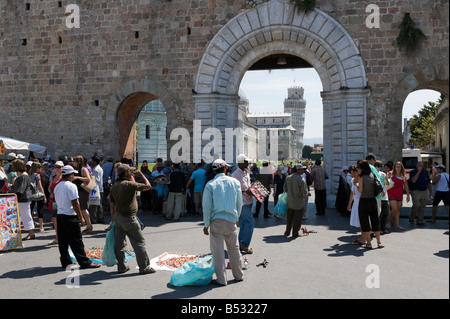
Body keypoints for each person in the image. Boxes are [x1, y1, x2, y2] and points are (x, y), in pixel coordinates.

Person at [202, 159, 244, 286]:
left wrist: (206, 224)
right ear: (225, 169)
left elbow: (207, 207)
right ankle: (238, 275)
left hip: (217, 221)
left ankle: (222, 279)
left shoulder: (210, 184)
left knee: (218, 251)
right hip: (231, 220)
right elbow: (239, 203)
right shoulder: (235, 182)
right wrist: (237, 218)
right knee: (234, 249)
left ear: (214, 170)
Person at [109, 164, 155, 274]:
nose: (132, 173)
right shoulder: (128, 184)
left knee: (119, 244)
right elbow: (148, 186)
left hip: (118, 217)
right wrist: (141, 175)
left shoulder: (114, 186)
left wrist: (113, 219)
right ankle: (144, 267)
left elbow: (112, 205)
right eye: (130, 171)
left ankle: (121, 267)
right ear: (125, 173)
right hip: (129, 218)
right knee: (139, 242)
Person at [54, 165, 100, 269]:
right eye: (73, 174)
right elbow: (75, 203)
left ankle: (65, 261)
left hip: (60, 215)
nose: (73, 176)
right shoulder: (71, 186)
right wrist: (81, 217)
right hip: (70, 216)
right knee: (76, 241)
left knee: (63, 241)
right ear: (70, 175)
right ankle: (84, 262)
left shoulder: (57, 186)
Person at [356, 160, 384, 249]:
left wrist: (357, 185)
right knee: (375, 221)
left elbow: (361, 190)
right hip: (373, 200)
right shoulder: (373, 175)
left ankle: (368, 243)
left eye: (358, 168)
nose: (357, 169)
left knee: (365, 222)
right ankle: (379, 242)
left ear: (362, 168)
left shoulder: (361, 177)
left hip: (364, 201)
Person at [231, 154, 255, 254]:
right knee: (250, 222)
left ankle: (240, 244)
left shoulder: (246, 172)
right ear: (240, 162)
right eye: (246, 162)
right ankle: (244, 245)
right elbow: (234, 190)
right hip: (242, 202)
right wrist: (246, 192)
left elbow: (248, 185)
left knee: (244, 224)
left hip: (248, 201)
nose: (248, 163)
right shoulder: (235, 174)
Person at [11, 159, 35, 240]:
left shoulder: (23, 176)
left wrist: (14, 194)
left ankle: (31, 233)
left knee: (25, 216)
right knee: (25, 215)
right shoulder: (23, 175)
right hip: (23, 198)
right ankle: (30, 233)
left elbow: (21, 189)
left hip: (23, 198)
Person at [282, 164, 308, 237]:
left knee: (289, 218)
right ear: (298, 170)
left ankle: (287, 231)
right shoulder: (301, 179)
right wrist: (305, 194)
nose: (303, 170)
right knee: (297, 219)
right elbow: (304, 192)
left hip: (290, 202)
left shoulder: (288, 178)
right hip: (299, 202)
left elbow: (285, 189)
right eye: (302, 169)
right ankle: (295, 233)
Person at [72, 155, 93, 233]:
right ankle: (87, 224)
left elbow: (88, 179)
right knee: (81, 208)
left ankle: (89, 225)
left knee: (84, 208)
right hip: (79, 190)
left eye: (74, 161)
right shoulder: (77, 169)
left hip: (83, 191)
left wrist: (77, 178)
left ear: (78, 162)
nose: (73, 162)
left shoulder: (83, 169)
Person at [387, 161, 410, 231]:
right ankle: (388, 222)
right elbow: (385, 181)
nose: (398, 168)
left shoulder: (403, 176)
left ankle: (397, 225)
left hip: (399, 195)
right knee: (394, 208)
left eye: (399, 167)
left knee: (397, 210)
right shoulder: (390, 173)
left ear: (401, 168)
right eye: (396, 166)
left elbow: (406, 186)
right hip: (391, 193)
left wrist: (408, 195)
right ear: (394, 167)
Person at [408, 161, 432, 226]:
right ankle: (411, 218)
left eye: (421, 166)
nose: (420, 167)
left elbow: (428, 183)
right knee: (416, 204)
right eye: (419, 166)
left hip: (424, 191)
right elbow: (413, 180)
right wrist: (418, 172)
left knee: (422, 206)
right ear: (416, 166)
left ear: (423, 167)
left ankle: (420, 221)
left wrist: (430, 192)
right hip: (415, 190)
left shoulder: (425, 172)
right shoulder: (412, 172)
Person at [47, 161, 64, 245]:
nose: (57, 169)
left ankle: (62, 238)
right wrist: (51, 192)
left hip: (61, 200)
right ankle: (57, 238)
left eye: (59, 167)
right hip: (54, 201)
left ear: (62, 168)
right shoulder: (54, 177)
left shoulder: (63, 177)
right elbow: (49, 188)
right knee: (54, 219)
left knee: (61, 219)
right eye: (55, 167)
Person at [347, 165, 364, 244]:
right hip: (356, 203)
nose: (352, 174)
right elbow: (351, 193)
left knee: (363, 221)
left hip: (362, 201)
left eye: (354, 172)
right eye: (351, 172)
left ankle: (363, 238)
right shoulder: (352, 180)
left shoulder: (361, 179)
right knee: (360, 221)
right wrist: (349, 203)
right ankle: (363, 237)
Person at [29, 162, 47, 232]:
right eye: (39, 168)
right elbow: (40, 186)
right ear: (36, 168)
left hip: (31, 195)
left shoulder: (29, 175)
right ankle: (41, 226)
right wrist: (44, 196)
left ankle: (31, 225)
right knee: (40, 210)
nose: (40, 169)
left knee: (31, 210)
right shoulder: (37, 176)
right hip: (38, 194)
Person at [374, 160, 391, 233]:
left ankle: (383, 227)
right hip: (377, 197)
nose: (379, 168)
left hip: (385, 197)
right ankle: (377, 229)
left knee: (386, 213)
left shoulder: (383, 174)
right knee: (378, 214)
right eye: (378, 166)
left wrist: (387, 178)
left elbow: (387, 184)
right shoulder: (372, 174)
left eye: (380, 166)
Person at [89, 156, 104, 224]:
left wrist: (90, 177)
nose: (92, 162)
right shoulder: (99, 168)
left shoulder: (96, 169)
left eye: (92, 161)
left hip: (96, 189)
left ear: (95, 162)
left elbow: (97, 179)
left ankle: (93, 219)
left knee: (94, 205)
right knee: (99, 204)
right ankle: (100, 218)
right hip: (99, 188)